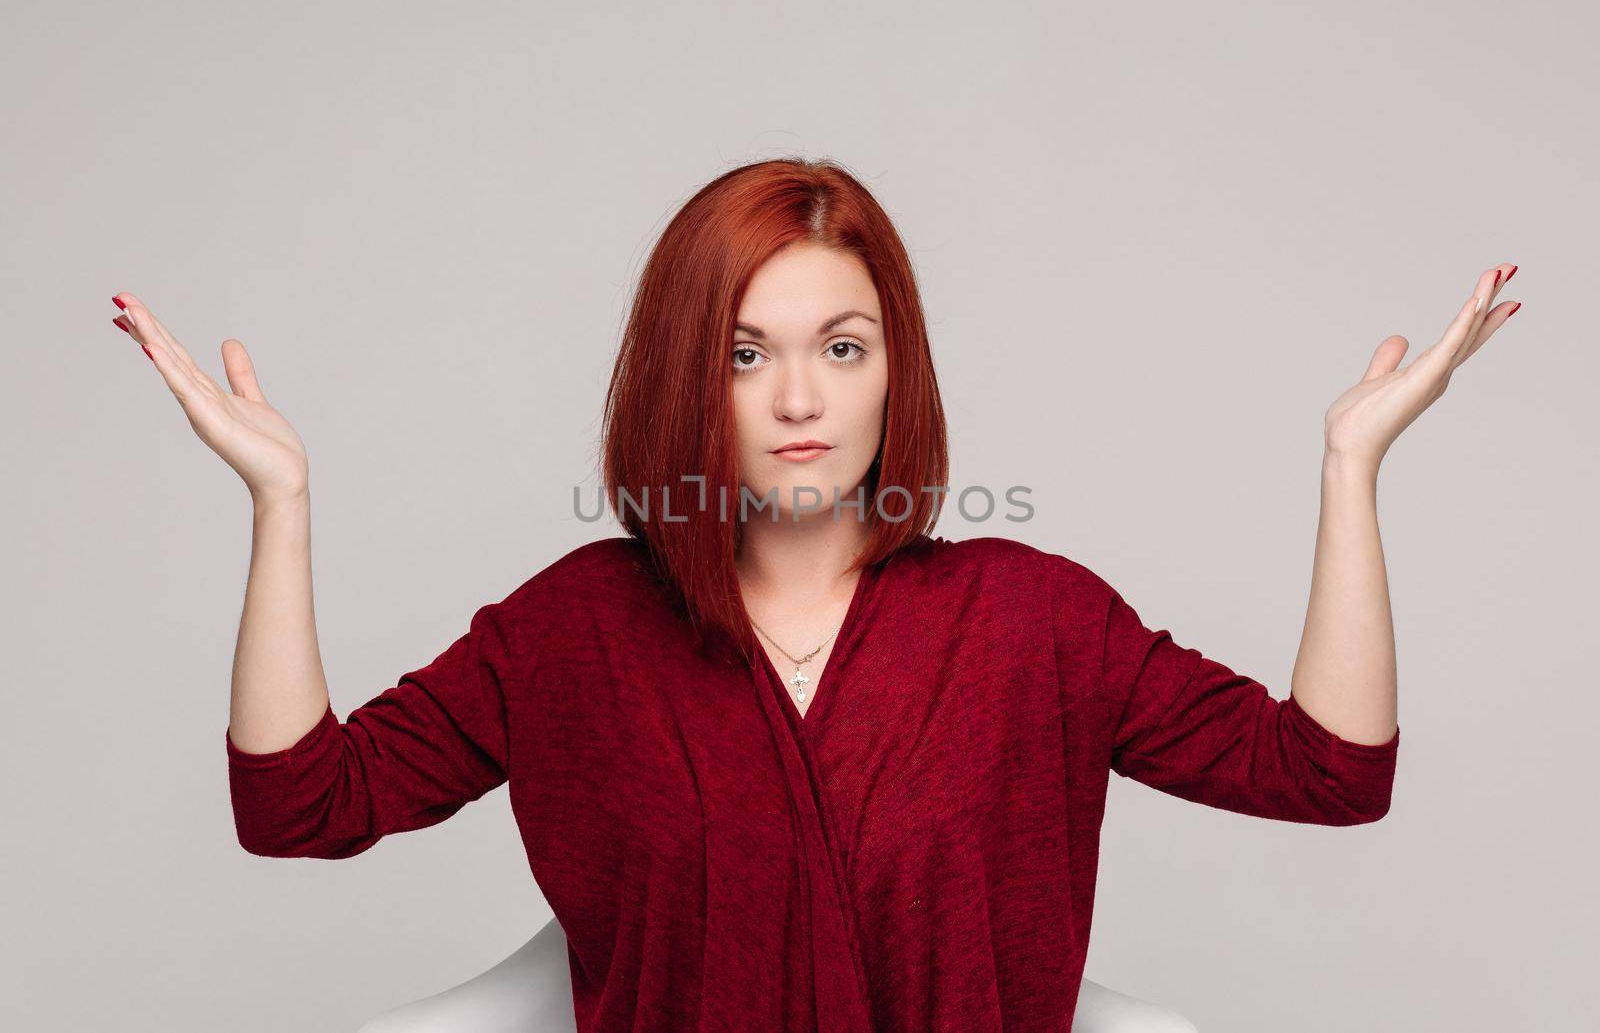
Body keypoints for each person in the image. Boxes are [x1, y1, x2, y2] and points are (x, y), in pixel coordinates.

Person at [111, 157, 1520, 1031]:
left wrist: (1350, 469)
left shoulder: (1032, 621)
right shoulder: (575, 630)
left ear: (894, 368)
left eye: (842, 347)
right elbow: (302, 809)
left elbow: (1329, 775)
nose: (798, 398)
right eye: (744, 353)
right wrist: (281, 507)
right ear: (684, 376)